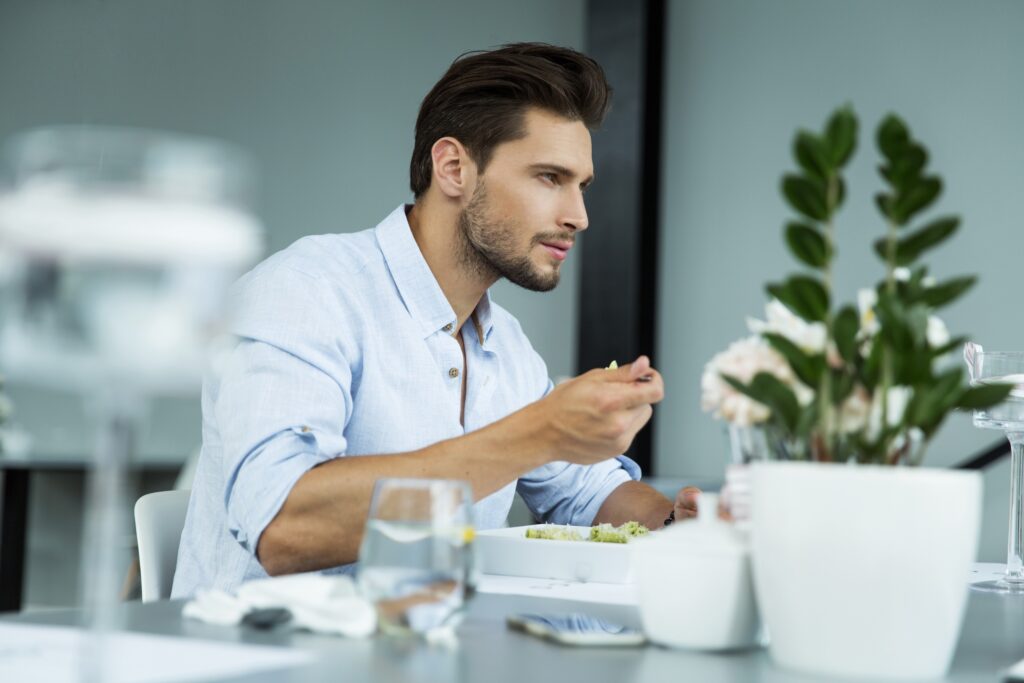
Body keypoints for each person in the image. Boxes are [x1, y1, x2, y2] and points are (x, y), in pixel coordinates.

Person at [172, 42, 699, 598]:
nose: (578, 216)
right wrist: (540, 431)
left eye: (581, 186)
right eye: (549, 178)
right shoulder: (305, 292)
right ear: (453, 168)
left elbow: (589, 493)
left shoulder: (508, 347)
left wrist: (677, 525)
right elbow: (283, 526)